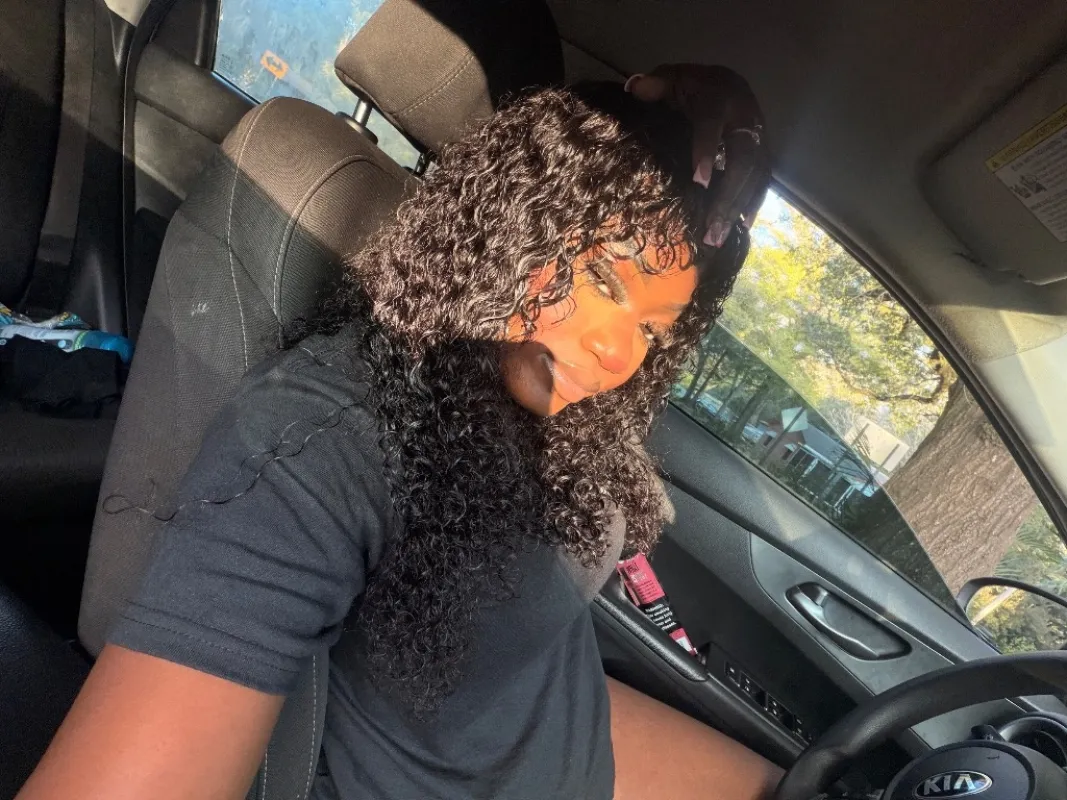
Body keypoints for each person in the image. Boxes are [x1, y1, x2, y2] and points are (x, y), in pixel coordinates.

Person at [18, 68, 777, 800]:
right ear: (508, 229)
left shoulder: (563, 410)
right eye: (602, 280)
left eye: (652, 329)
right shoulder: (329, 441)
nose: (618, 351)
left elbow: (520, 673)